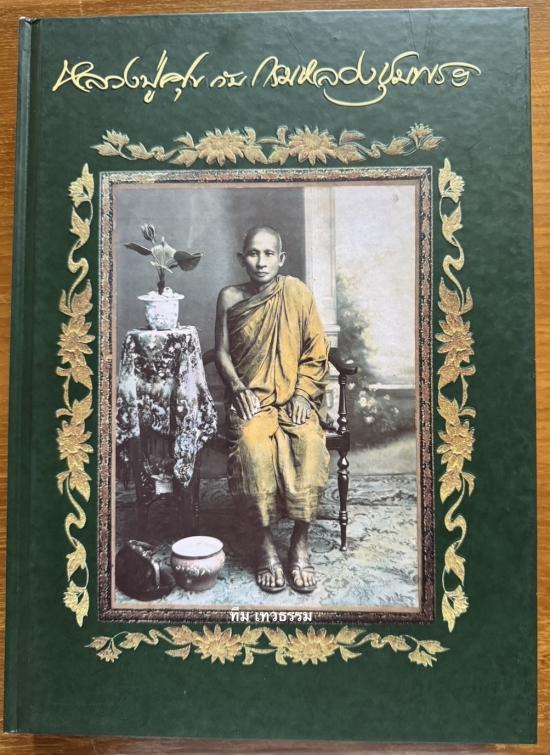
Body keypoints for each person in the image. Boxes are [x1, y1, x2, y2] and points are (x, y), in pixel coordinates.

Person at [215, 226, 330, 593]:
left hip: (295, 397)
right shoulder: (229, 297)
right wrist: (238, 388)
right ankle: (265, 546)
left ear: (281, 259)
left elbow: (316, 351)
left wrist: (303, 395)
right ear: (242, 259)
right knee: (252, 447)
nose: (261, 261)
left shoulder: (297, 293)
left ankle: (300, 543)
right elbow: (221, 353)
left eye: (268, 254)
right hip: (252, 399)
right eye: (253, 253)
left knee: (309, 444)